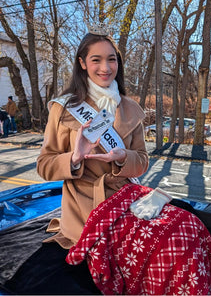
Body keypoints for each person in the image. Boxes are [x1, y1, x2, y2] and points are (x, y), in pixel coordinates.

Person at [4, 28, 149, 294]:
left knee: (187, 229)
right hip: (85, 210)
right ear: (82, 63)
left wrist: (122, 158)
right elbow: (44, 164)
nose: (105, 67)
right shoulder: (64, 108)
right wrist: (74, 157)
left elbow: (141, 161)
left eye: (112, 59)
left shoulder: (130, 109)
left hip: (128, 200)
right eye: (96, 59)